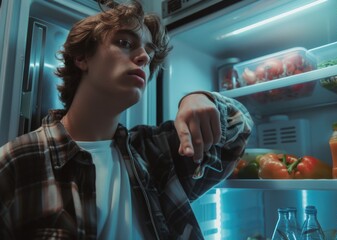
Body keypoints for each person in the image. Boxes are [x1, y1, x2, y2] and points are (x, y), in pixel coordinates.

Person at [0, 1, 253, 239]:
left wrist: (200, 98)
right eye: (124, 42)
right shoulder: (18, 161)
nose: (143, 57)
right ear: (82, 58)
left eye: (149, 54)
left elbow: (239, 128)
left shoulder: (153, 153)